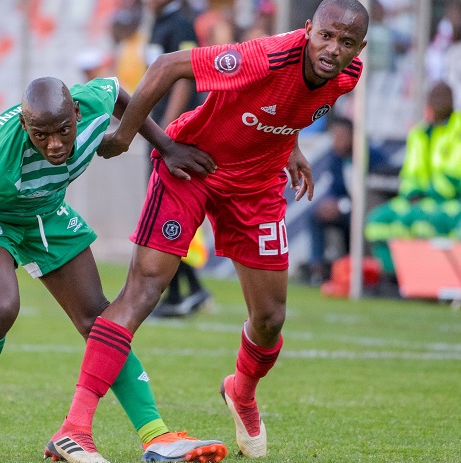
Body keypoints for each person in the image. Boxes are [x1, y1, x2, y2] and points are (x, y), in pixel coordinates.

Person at [47, 0, 368, 459]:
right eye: (326, 36)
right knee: (143, 290)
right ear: (307, 30)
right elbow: (167, 65)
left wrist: (290, 145)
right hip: (192, 169)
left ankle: (240, 390)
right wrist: (125, 136)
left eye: (347, 43)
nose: (334, 49)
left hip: (257, 188)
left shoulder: (346, 76)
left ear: (359, 49)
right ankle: (74, 428)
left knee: (270, 319)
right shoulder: (267, 54)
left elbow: (292, 102)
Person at [0, 76, 226, 463]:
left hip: (46, 214)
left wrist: (156, 143)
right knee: (1, 308)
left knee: (99, 321)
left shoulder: (90, 107)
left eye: (63, 131)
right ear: (24, 126)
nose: (54, 144)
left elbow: (117, 91)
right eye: (41, 134)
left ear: (77, 113)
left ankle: (156, 437)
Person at [146, 0, 212, 317]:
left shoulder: (181, 25)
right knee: (165, 210)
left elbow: (186, 76)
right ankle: (188, 291)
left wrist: (166, 132)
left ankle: (178, 294)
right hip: (159, 133)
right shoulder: (158, 23)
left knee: (169, 209)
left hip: (175, 136)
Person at [365, 81, 461, 277]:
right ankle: (395, 277)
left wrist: (428, 192)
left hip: (450, 202)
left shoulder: (457, 129)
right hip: (417, 200)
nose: (436, 103)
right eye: (434, 99)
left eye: (441, 99)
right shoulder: (419, 133)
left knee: (424, 223)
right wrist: (413, 193)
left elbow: (454, 176)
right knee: (376, 221)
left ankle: (434, 278)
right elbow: (410, 174)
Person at [304, 116, 387, 286]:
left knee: (360, 223)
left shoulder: (373, 157)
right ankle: (317, 269)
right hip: (347, 211)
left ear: (353, 137)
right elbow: (334, 188)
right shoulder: (336, 158)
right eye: (334, 136)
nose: (337, 141)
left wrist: (342, 206)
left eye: (341, 136)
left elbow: (377, 192)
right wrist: (332, 203)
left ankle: (369, 273)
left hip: (368, 212)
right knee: (314, 215)